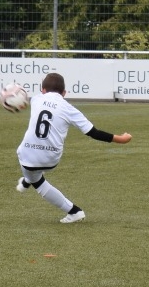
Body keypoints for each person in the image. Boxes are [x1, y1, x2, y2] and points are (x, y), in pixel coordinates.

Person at [15, 72, 130, 223]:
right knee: (33, 172)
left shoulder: (36, 99)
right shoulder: (68, 108)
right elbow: (93, 133)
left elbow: (26, 100)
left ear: (42, 90)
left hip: (28, 156)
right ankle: (27, 181)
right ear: (64, 93)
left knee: (36, 179)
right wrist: (120, 139)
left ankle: (74, 211)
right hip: (51, 159)